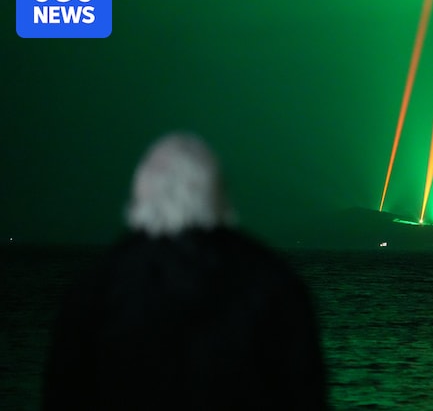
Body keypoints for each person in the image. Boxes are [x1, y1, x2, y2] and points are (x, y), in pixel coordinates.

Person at [43, 133, 328, 410]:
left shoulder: (94, 288)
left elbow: (63, 395)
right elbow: (304, 393)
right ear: (218, 194)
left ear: (141, 192)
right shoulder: (275, 283)